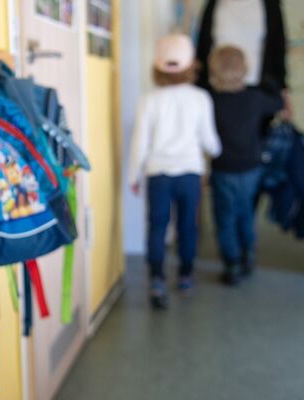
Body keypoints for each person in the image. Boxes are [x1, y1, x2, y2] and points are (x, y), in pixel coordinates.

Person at [128, 34, 222, 310]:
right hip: (190, 173)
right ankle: (185, 276)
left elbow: (140, 142)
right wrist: (217, 151)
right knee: (187, 226)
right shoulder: (200, 98)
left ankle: (157, 280)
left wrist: (134, 175)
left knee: (157, 226)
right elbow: (210, 142)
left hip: (158, 173)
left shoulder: (149, 100)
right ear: (192, 66)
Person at [207, 46, 284, 285]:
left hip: (223, 168)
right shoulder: (255, 98)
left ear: (214, 70)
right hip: (251, 167)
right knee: (246, 213)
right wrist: (270, 84)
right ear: (245, 68)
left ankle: (231, 263)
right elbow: (278, 104)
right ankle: (248, 255)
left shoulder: (211, 100)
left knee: (225, 217)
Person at [195, 0, 292, 118]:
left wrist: (283, 90)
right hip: (217, 90)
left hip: (258, 88)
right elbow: (202, 48)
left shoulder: (270, 5)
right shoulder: (214, 4)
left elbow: (278, 49)